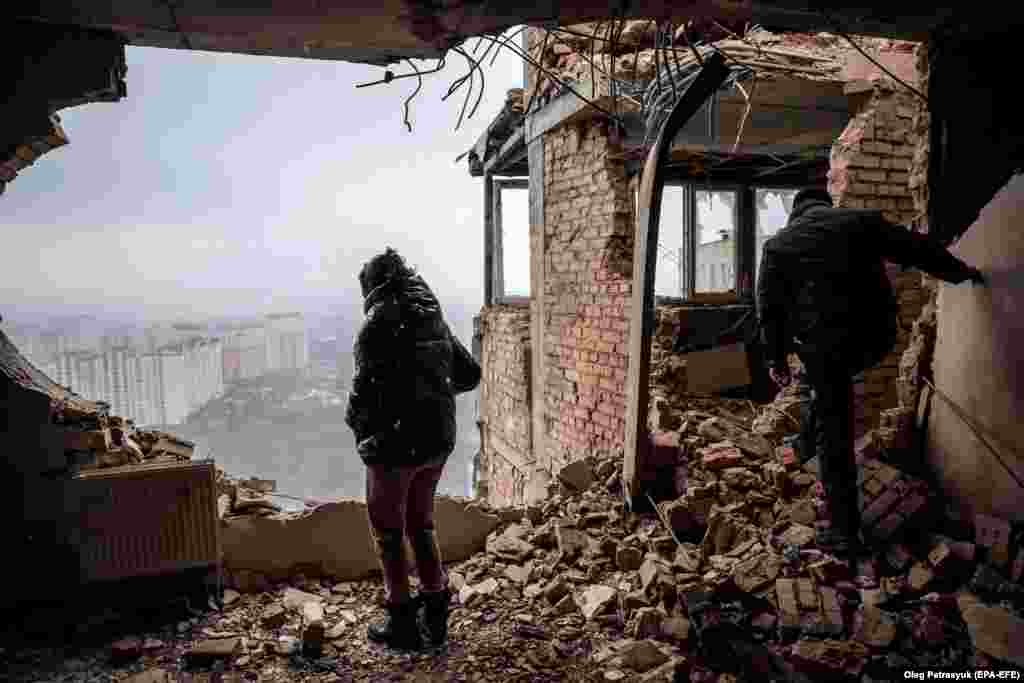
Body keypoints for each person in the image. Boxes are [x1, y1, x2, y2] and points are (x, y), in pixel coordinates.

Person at [756, 188, 984, 559]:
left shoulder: (779, 245)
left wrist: (775, 360)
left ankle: (845, 532)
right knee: (825, 389)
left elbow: (770, 308)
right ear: (826, 206)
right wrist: (961, 273)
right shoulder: (859, 221)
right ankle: (804, 444)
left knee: (835, 425)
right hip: (873, 339)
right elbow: (914, 247)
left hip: (823, 347)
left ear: (795, 214)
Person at [345, 247, 480, 650]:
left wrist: (358, 427)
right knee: (420, 523)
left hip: (395, 445)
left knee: (388, 530)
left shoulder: (376, 325)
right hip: (438, 439)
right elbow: (469, 374)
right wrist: (433, 394)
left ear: (373, 287)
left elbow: (362, 395)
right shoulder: (432, 316)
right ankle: (436, 613)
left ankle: (402, 620)